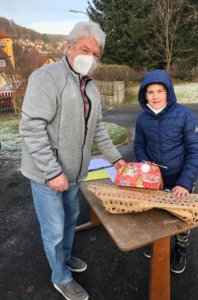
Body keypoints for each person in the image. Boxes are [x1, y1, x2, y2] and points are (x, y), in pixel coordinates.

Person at [19, 21, 125, 300]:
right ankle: (60, 277)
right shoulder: (46, 77)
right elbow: (31, 128)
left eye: (96, 54)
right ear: (69, 46)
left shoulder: (90, 87)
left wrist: (116, 160)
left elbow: (98, 128)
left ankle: (63, 259)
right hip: (46, 174)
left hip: (76, 173)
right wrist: (53, 173)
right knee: (53, 229)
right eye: (84, 49)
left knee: (69, 222)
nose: (89, 57)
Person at [134, 69, 198, 274]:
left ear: (169, 92)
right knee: (155, 213)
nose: (155, 96)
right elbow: (139, 145)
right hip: (154, 182)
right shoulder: (142, 119)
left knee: (181, 217)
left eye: (160, 91)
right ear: (144, 94)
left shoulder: (185, 116)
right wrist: (148, 169)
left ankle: (181, 249)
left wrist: (184, 182)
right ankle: (156, 240)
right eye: (150, 92)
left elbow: (196, 150)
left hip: (181, 180)